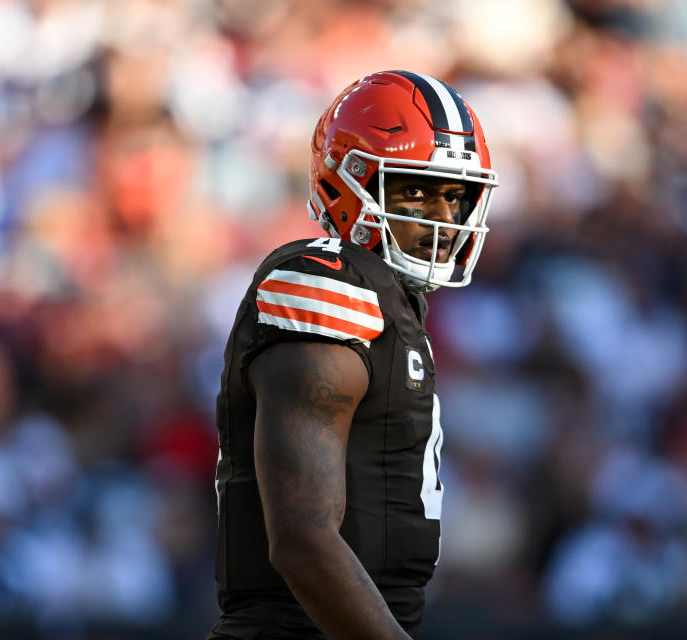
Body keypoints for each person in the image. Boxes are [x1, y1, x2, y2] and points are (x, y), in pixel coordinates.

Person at [207, 70, 499, 639]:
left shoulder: (393, 303)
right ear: (348, 184)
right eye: (415, 190)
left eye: (455, 195)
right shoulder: (324, 283)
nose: (441, 219)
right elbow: (302, 540)